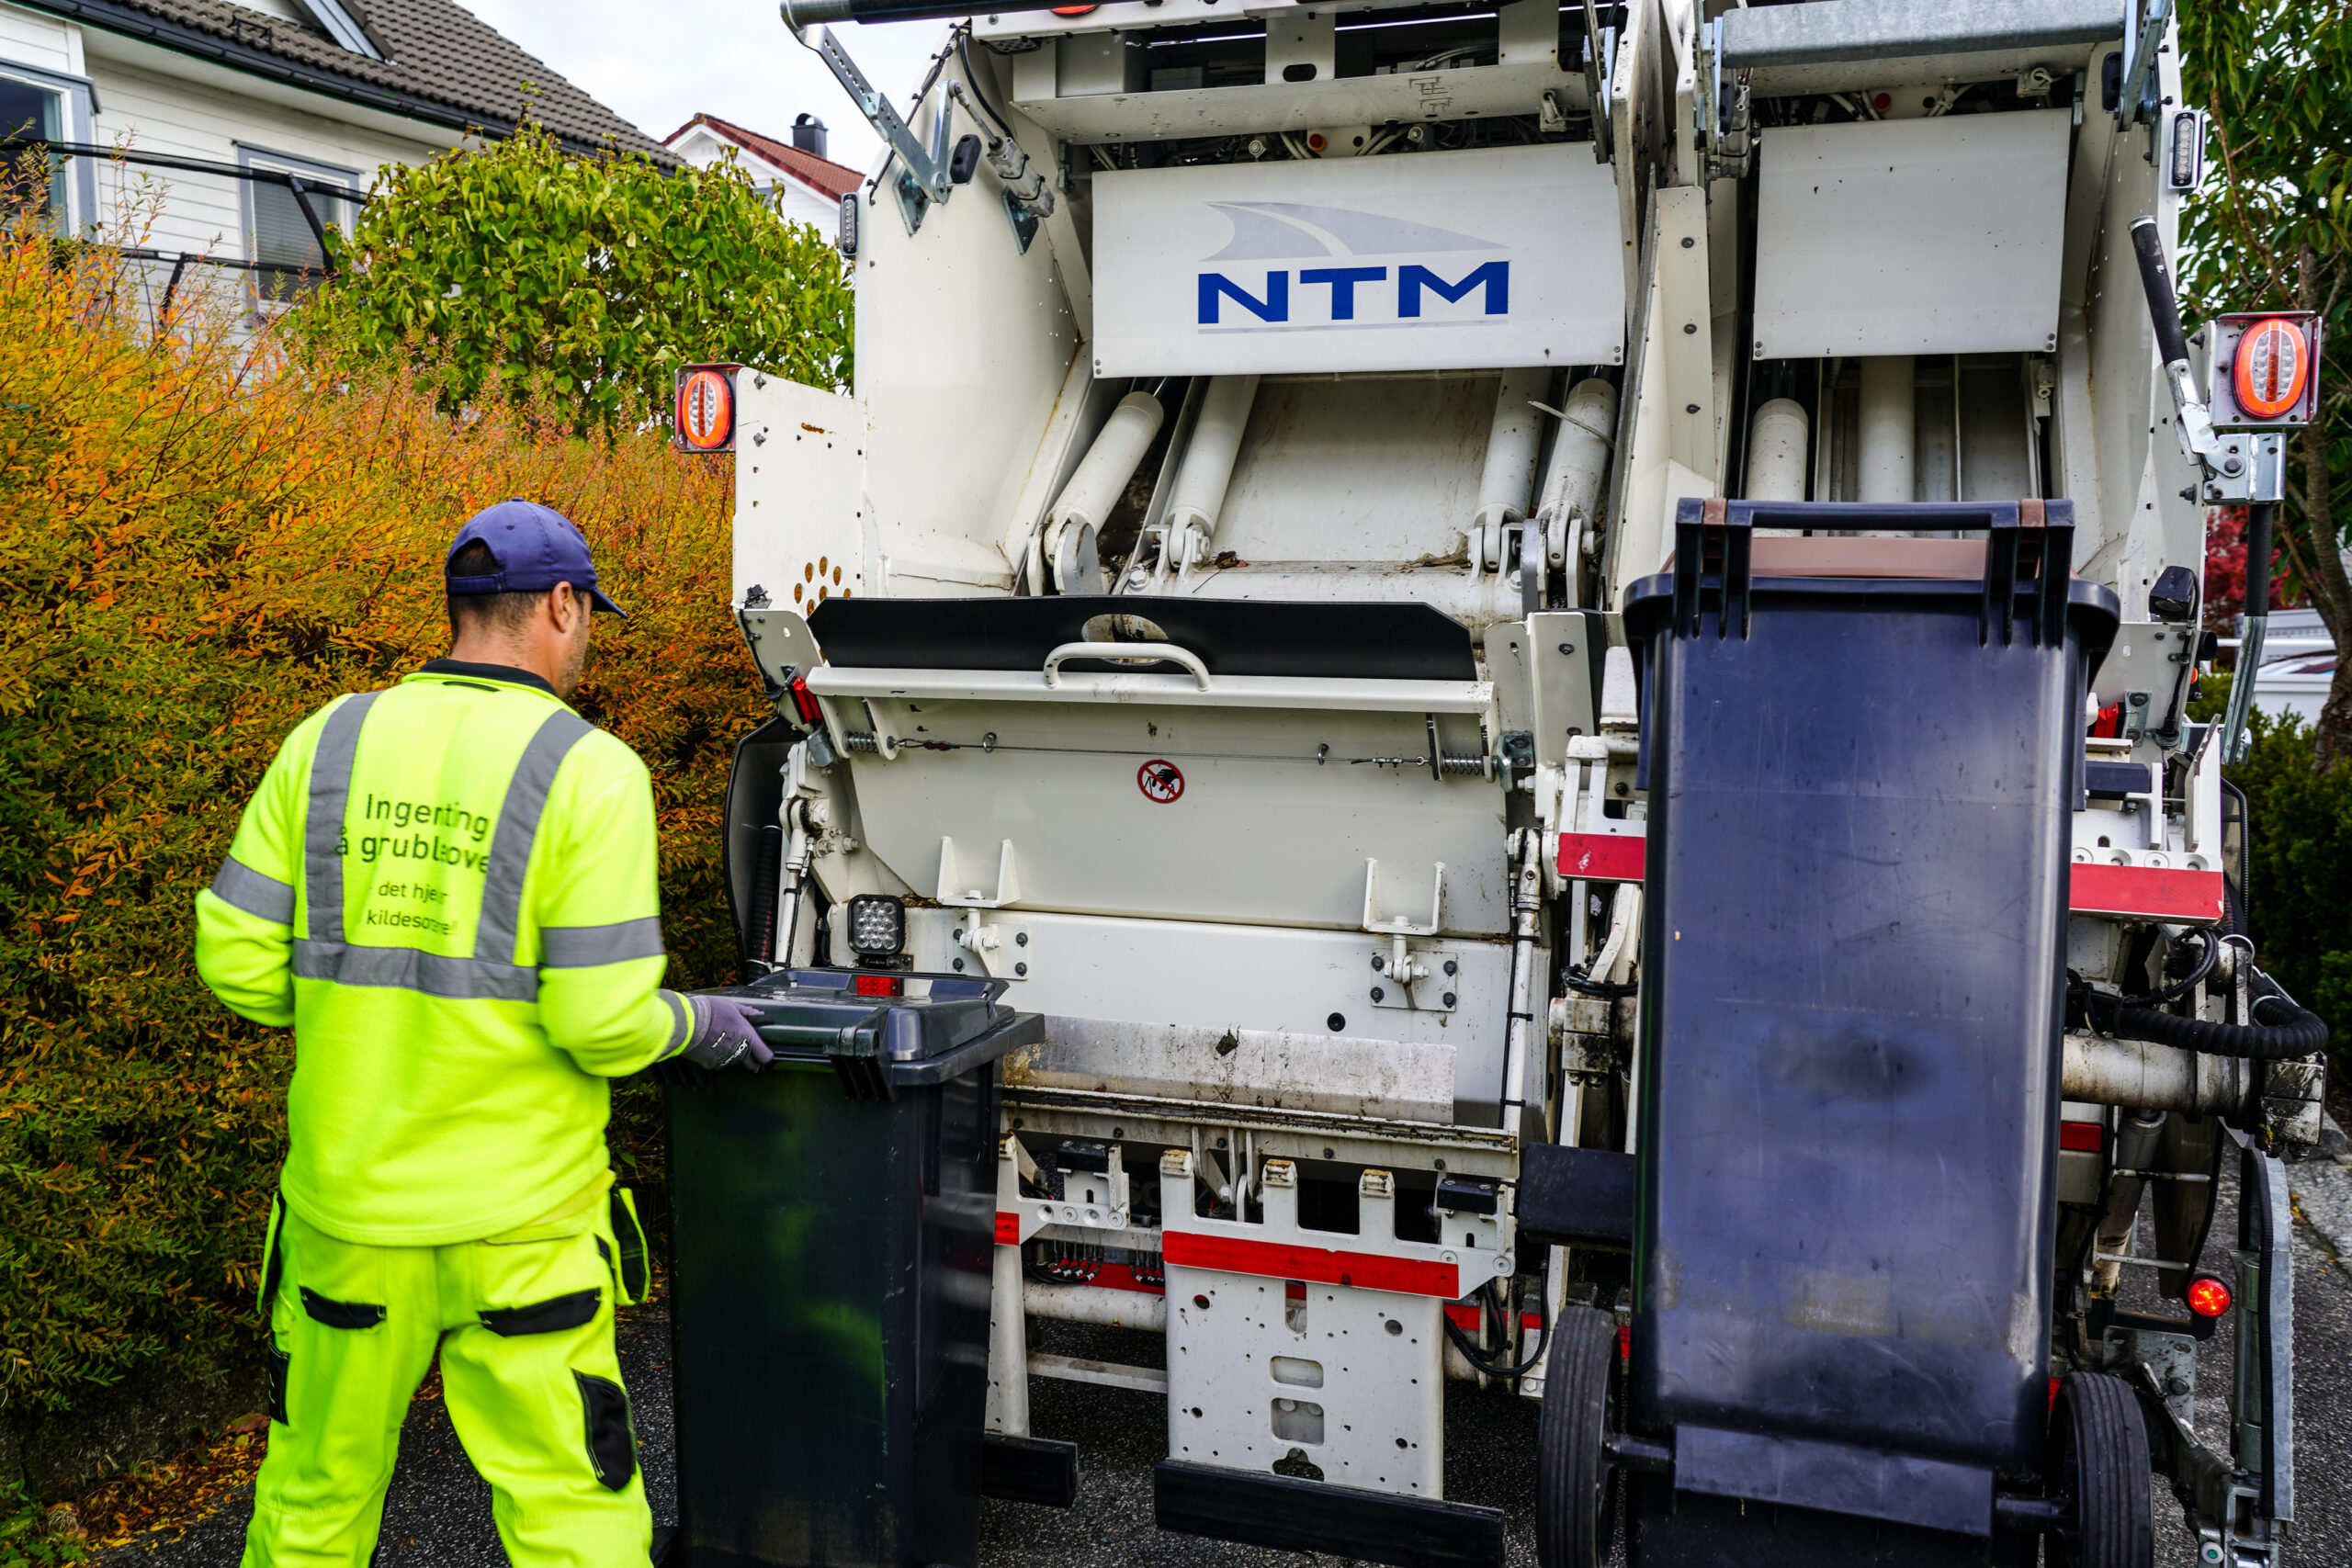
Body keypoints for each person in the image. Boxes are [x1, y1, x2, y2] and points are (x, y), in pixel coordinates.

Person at [194, 499, 770, 1568]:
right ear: (559, 605)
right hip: (526, 1232)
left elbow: (234, 964)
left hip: (349, 1214)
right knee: (571, 1516)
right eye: (587, 613)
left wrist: (353, 1018)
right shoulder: (590, 771)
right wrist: (697, 1023)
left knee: (311, 1507)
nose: (587, 633)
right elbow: (600, 1022)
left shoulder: (328, 739)